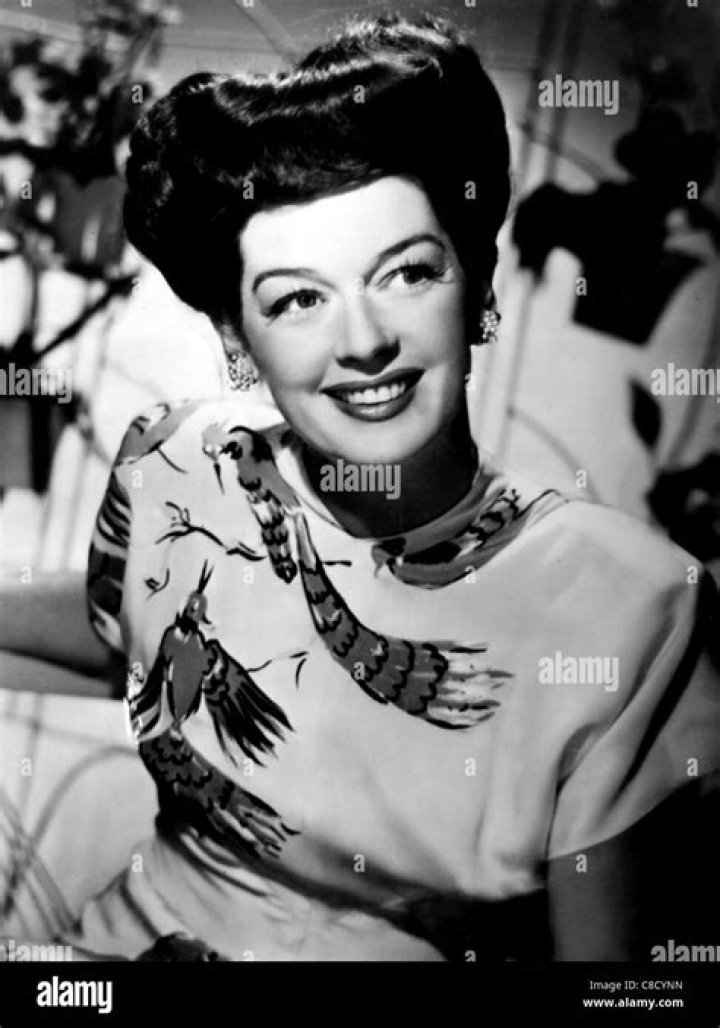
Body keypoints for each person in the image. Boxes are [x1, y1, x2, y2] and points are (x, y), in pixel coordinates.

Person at [2, 12, 720, 962]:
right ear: (236, 338)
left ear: (479, 282)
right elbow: (133, 631)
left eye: (407, 274)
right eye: (299, 298)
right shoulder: (182, 467)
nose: (365, 341)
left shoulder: (631, 610)